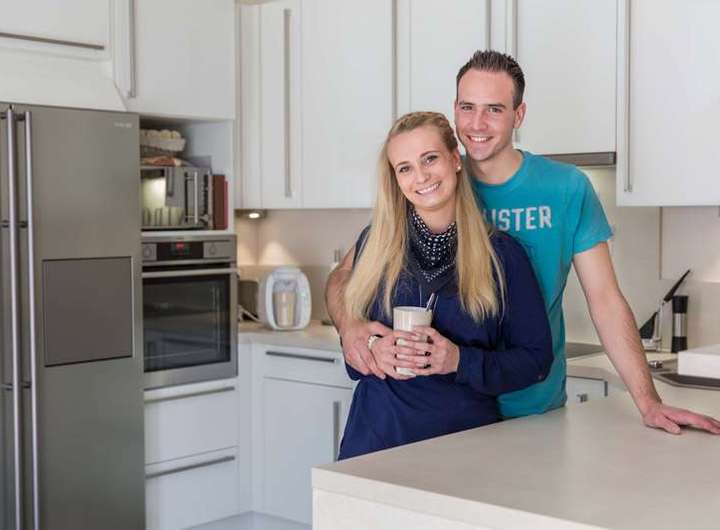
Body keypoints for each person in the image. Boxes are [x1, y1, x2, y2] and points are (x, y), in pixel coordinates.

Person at [327, 50, 720, 435]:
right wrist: (352, 327)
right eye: (467, 107)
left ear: (518, 115)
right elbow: (347, 276)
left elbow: (605, 300)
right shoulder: (433, 183)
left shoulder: (565, 188)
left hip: (531, 406)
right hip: (453, 415)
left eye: (494, 109)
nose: (477, 123)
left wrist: (648, 401)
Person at [336, 111, 553, 459]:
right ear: (395, 179)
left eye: (430, 159)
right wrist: (373, 349)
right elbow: (352, 342)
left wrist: (459, 360)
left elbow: (536, 361)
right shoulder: (373, 245)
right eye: (405, 168)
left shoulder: (502, 255)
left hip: (462, 450)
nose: (420, 176)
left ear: (455, 159)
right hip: (375, 442)